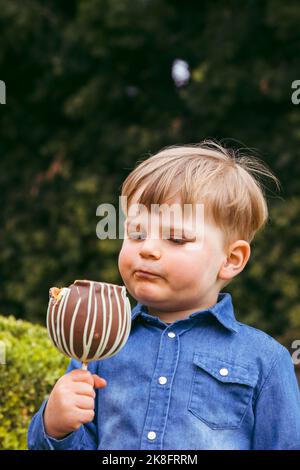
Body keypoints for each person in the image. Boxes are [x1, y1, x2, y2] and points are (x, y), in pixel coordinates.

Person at [28, 141, 300, 450]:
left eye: (176, 238)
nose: (147, 248)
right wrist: (55, 426)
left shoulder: (265, 361)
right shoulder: (99, 347)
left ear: (231, 259)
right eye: (137, 234)